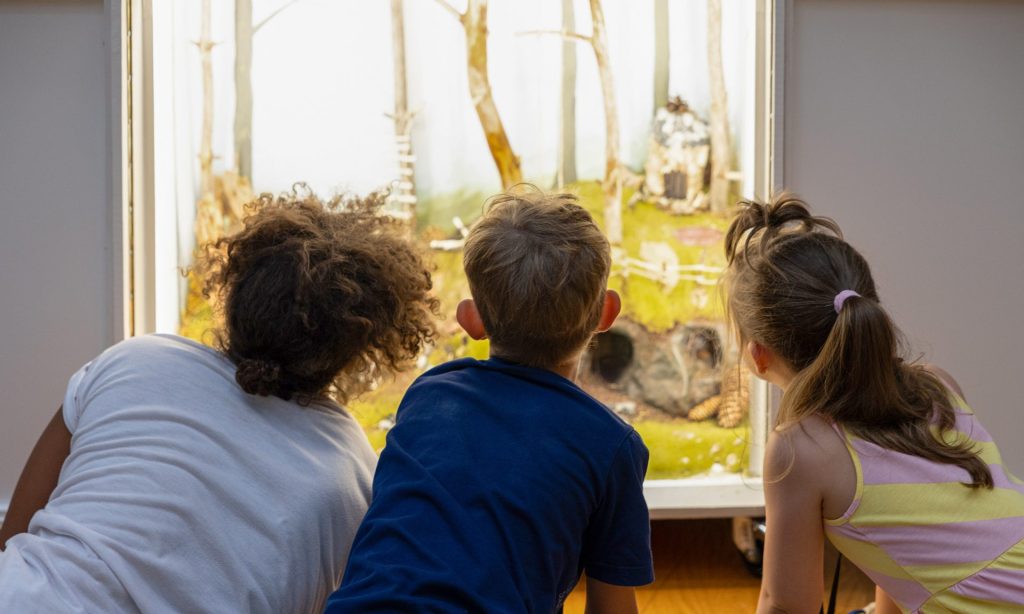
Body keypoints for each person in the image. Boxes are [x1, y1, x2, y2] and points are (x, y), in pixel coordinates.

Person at [0, 189, 439, 613]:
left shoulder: (135, 359)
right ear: (360, 348)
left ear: (234, 291)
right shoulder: (351, 471)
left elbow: (12, 534)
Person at [325, 189, 654, 614]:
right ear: (606, 314)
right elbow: (612, 609)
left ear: (471, 319)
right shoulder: (610, 445)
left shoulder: (429, 394)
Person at [724, 194, 1024, 613]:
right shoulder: (937, 385)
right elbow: (908, 547)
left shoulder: (801, 449)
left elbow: (786, 606)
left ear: (757, 356)